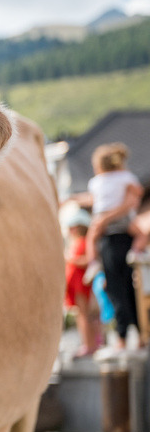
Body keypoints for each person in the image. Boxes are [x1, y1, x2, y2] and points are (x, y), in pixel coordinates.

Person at [74, 143, 146, 347]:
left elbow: (97, 202)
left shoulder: (97, 181)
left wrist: (105, 217)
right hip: (125, 230)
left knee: (116, 289)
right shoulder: (126, 178)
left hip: (109, 234)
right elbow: (136, 195)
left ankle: (122, 337)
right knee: (131, 289)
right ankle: (140, 335)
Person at [63, 208, 100, 357]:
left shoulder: (84, 242)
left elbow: (88, 261)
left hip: (81, 284)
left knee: (84, 315)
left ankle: (89, 345)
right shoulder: (75, 242)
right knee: (82, 315)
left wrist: (72, 259)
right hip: (75, 284)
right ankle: (88, 344)